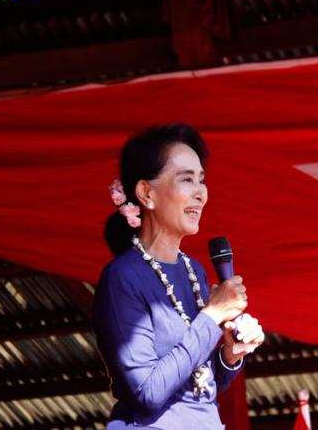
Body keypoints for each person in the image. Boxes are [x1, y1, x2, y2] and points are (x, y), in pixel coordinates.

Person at [93, 124, 265, 429]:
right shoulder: (122, 277)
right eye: (187, 179)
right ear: (146, 193)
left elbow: (199, 383)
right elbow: (147, 392)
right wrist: (212, 317)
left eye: (201, 180)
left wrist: (230, 354)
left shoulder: (194, 270)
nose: (200, 193)